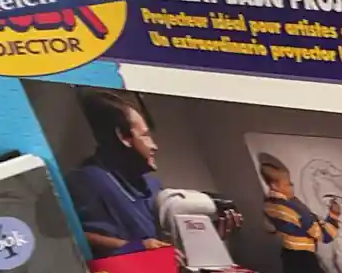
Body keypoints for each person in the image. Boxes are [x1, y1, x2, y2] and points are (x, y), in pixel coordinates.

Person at [64, 89, 241, 259]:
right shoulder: (87, 180)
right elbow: (71, 236)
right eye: (145, 136)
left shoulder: (152, 186)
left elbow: (165, 245)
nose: (154, 146)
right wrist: (137, 248)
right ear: (124, 137)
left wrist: (209, 236)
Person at [259, 154, 341, 273]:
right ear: (274, 185)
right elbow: (325, 236)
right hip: (304, 258)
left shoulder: (268, 204)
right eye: (288, 184)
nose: (292, 187)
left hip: (287, 255)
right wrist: (333, 215)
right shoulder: (296, 210)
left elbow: (270, 227)